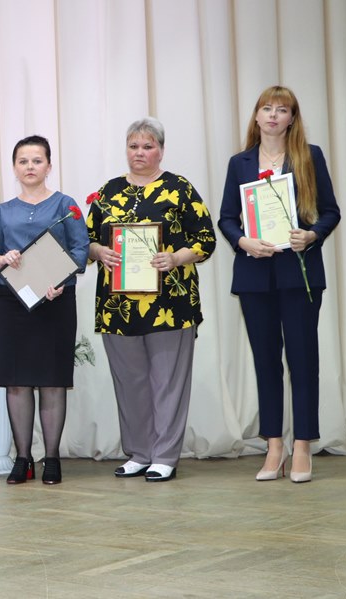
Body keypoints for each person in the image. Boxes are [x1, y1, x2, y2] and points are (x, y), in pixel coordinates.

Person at [217, 85, 340, 483]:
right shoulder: (239, 163)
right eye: (266, 108)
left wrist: (312, 235)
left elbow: (331, 211)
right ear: (256, 116)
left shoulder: (309, 155)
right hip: (254, 276)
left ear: (291, 118)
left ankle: (302, 445)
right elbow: (227, 218)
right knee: (265, 362)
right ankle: (274, 445)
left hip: (299, 274)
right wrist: (243, 242)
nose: (272, 115)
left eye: (281, 109)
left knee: (303, 361)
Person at [87, 117, 216, 482]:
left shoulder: (179, 188)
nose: (139, 153)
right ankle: (140, 453)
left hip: (170, 304)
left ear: (161, 150)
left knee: (167, 382)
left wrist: (175, 258)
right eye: (133, 146)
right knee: (130, 383)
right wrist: (99, 251)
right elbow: (85, 240)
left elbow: (205, 240)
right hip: (118, 307)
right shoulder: (108, 191)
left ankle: (165, 455)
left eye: (148, 146)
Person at [0, 135, 88, 485]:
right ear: (14, 167)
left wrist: (60, 280)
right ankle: (23, 458)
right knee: (17, 382)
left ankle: (52, 458)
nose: (30, 167)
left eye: (37, 160)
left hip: (56, 300)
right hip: (12, 302)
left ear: (49, 166)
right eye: (23, 161)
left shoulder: (65, 205)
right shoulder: (3, 211)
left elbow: (80, 249)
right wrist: (3, 258)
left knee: (53, 382)